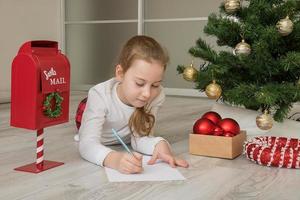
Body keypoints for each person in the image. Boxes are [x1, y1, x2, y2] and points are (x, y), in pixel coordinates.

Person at [78, 35, 189, 174]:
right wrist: (114, 159)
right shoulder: (99, 94)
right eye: (140, 83)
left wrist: (160, 146)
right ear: (120, 73)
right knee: (85, 111)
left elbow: (140, 138)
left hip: (123, 134)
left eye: (155, 85)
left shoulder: (157, 96)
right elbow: (87, 145)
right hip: (96, 123)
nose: (147, 94)